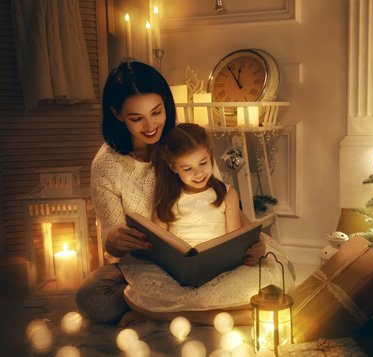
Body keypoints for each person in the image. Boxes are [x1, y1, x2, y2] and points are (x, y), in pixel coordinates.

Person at [76, 61, 291, 326]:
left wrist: (250, 239)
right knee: (93, 296)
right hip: (146, 263)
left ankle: (156, 313)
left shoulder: (183, 142)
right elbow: (112, 249)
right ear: (117, 115)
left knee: (273, 271)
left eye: (157, 112)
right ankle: (227, 314)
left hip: (209, 250)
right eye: (136, 118)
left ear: (166, 103)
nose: (150, 125)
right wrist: (116, 239)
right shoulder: (106, 165)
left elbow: (219, 196)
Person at [119, 123, 294, 323]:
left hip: (221, 270)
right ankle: (230, 317)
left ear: (210, 155)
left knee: (257, 288)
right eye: (188, 168)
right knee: (137, 292)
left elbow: (234, 239)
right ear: (173, 167)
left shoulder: (226, 194)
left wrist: (251, 255)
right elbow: (160, 245)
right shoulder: (167, 200)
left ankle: (164, 316)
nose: (199, 173)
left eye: (203, 163)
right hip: (179, 273)